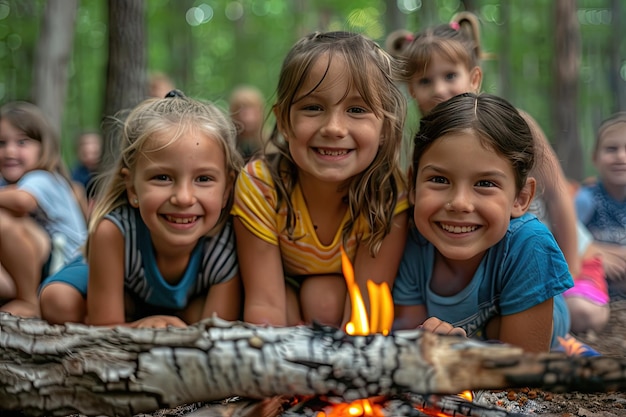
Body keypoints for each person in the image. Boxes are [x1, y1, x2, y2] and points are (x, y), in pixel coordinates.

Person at [231, 31, 409, 328]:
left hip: (337, 312)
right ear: (285, 121)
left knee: (324, 299)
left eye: (357, 109)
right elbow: (265, 304)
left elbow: (368, 307)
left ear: (385, 128)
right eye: (313, 107)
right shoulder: (261, 185)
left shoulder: (387, 192)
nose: (334, 128)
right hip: (283, 305)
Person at [386, 11, 582, 279]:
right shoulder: (419, 140)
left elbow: (558, 194)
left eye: (450, 76)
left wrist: (572, 268)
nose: (440, 89)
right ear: (411, 90)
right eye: (425, 81)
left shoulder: (513, 123)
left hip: (530, 249)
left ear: (474, 78)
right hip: (476, 258)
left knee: (584, 311)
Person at [39, 91, 244, 328]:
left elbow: (217, 331)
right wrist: (140, 327)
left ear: (227, 188)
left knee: (202, 317)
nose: (184, 198)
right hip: (107, 277)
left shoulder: (226, 243)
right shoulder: (115, 231)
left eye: (204, 179)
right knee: (59, 302)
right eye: (163, 177)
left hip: (173, 299)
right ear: (132, 188)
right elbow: (103, 326)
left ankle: (141, 310)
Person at [392, 92, 574, 353]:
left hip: (540, 317)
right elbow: (410, 337)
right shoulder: (411, 242)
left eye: (485, 184)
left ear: (520, 198)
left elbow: (522, 371)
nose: (460, 203)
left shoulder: (529, 245)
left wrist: (460, 351)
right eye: (440, 180)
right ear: (413, 184)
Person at [0, 101, 87, 318]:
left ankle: (28, 301)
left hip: (67, 270)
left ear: (43, 147)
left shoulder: (42, 178)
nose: (9, 151)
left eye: (22, 142)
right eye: (1, 143)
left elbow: (22, 202)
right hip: (41, 266)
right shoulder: (6, 184)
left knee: (5, 221)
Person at [571, 113, 626, 326]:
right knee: (580, 310)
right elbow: (565, 239)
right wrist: (600, 254)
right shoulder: (587, 198)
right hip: (591, 274)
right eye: (611, 149)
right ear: (595, 158)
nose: (621, 156)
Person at [229, 85, 266, 162]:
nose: (248, 116)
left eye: (252, 109)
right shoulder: (228, 144)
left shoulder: (270, 143)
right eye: (241, 109)